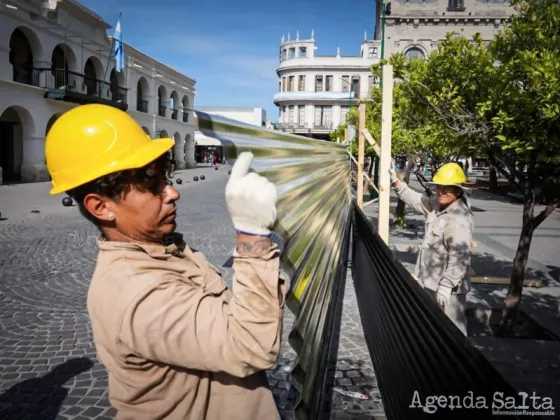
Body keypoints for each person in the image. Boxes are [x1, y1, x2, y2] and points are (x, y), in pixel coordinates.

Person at [45, 104, 287, 419]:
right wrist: (252, 236)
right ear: (101, 207)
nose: (172, 193)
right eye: (152, 186)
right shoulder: (137, 292)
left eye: (166, 179)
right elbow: (252, 344)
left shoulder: (160, 247)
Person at [389, 161, 474, 335]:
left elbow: (459, 256)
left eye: (447, 188)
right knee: (433, 329)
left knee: (453, 333)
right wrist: (396, 182)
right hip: (430, 281)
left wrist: (446, 285)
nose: (441, 192)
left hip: (448, 290)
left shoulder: (458, 219)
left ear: (457, 191)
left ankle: (454, 362)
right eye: (439, 187)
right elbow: (417, 200)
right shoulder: (438, 206)